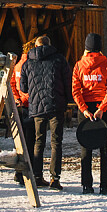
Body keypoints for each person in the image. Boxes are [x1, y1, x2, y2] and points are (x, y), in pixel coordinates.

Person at [21, 35, 70, 190]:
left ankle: (37, 176)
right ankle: (55, 178)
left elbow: (23, 88)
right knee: (56, 142)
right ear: (50, 45)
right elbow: (67, 82)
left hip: (37, 106)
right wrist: (66, 100)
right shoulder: (59, 59)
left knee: (38, 141)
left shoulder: (27, 62)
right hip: (56, 105)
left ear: (36, 46)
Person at [72, 32, 107, 195]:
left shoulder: (78, 65)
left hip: (85, 109)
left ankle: (87, 185)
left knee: (86, 147)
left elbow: (75, 90)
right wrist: (102, 108)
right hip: (102, 108)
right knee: (105, 147)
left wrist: (84, 109)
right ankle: (105, 186)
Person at [9, 47, 34, 184]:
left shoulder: (17, 65)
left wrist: (16, 98)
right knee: (30, 142)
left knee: (20, 140)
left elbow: (12, 83)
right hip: (30, 105)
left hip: (20, 105)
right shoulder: (31, 65)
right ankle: (28, 173)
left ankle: (18, 172)